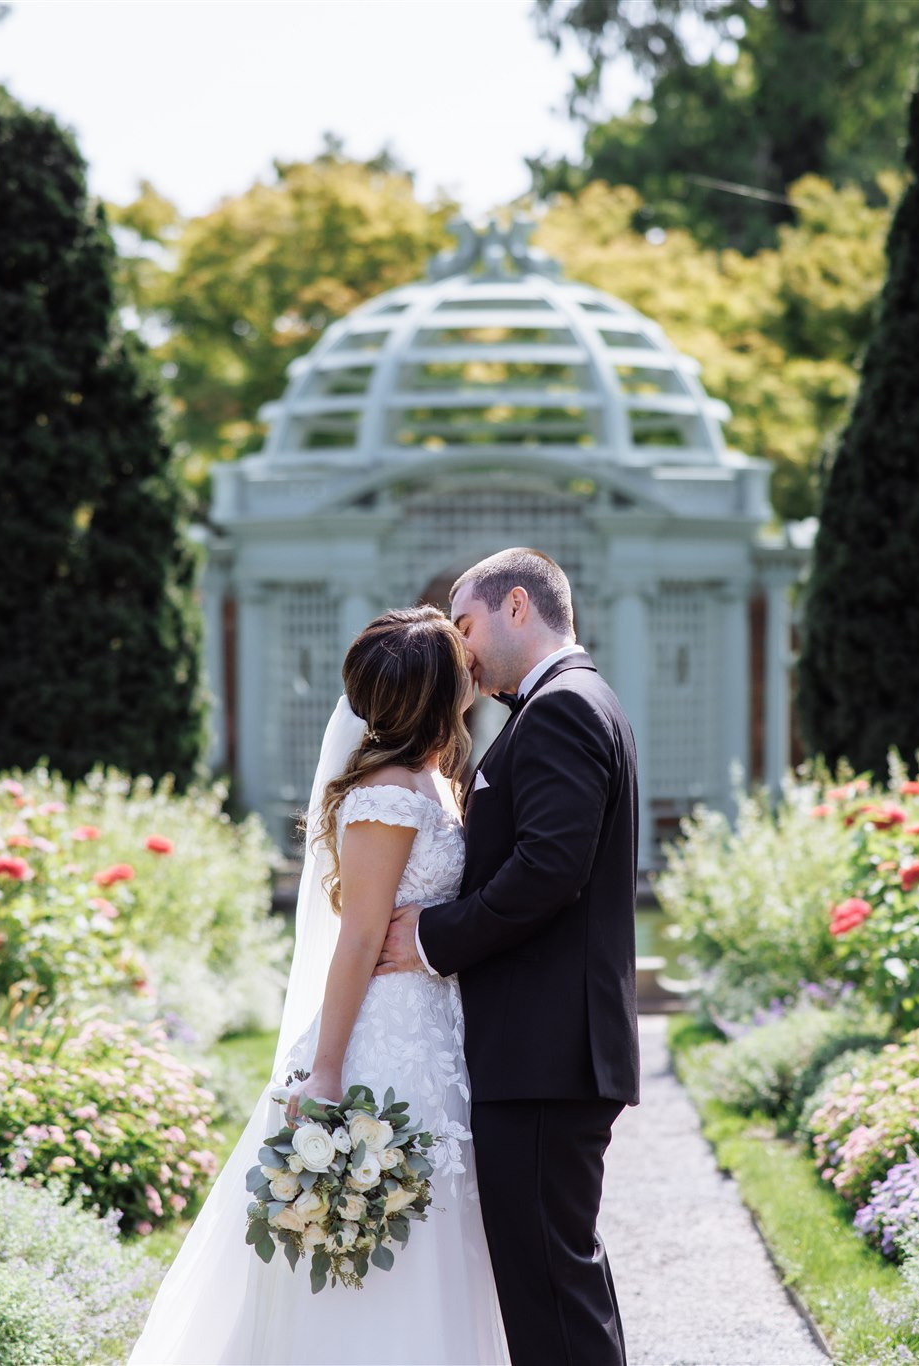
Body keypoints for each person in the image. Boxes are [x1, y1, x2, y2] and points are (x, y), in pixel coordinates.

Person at [130, 606, 509, 1365]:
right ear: (434, 693)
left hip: (439, 1026)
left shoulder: (433, 779)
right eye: (458, 659)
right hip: (384, 1038)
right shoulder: (387, 796)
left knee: (445, 1222)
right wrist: (330, 1070)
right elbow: (358, 940)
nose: (475, 664)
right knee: (389, 1221)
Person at [377, 547, 641, 1366]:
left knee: (550, 1289)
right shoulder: (569, 702)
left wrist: (428, 937)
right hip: (547, 1052)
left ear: (516, 605)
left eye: (466, 625)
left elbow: (550, 868)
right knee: (559, 1280)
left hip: (544, 1054)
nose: (461, 650)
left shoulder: (562, 707)